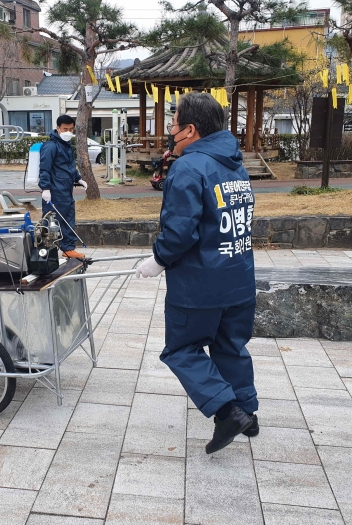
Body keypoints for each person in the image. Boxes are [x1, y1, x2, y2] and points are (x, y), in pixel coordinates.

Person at [136, 92, 258, 454]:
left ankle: (228, 411)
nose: (170, 130)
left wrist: (158, 261)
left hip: (200, 285)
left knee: (181, 349)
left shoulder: (189, 167)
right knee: (230, 347)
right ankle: (248, 412)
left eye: (173, 124)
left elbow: (180, 232)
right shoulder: (234, 164)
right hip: (238, 277)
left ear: (189, 130)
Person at [38, 115, 88, 258]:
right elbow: (45, 169)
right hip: (54, 192)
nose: (68, 132)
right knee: (52, 222)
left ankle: (68, 249)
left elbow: (69, 167)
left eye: (71, 129)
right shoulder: (50, 146)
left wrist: (79, 179)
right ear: (58, 128)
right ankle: (46, 251)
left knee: (68, 220)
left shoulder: (66, 146)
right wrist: (46, 188)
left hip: (66, 191)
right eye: (65, 129)